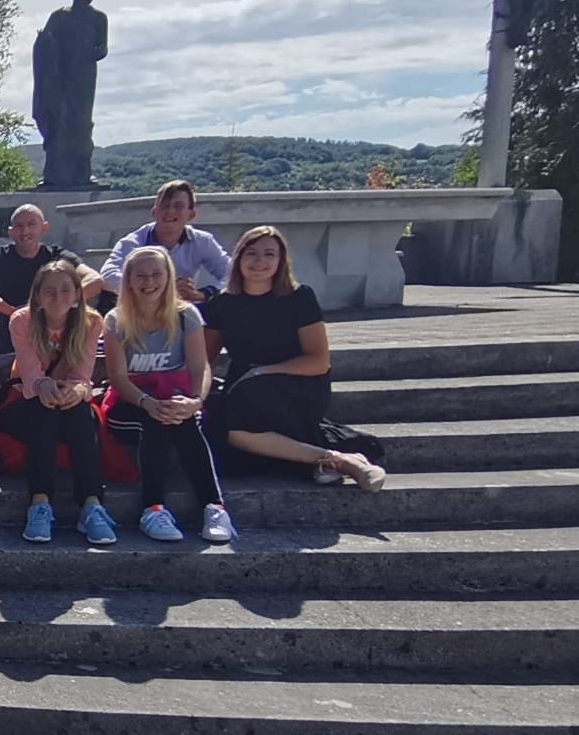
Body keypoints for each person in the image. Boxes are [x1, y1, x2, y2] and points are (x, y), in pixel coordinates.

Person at [202, 226, 386, 490]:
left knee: (239, 421)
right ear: (238, 257)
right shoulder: (221, 304)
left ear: (281, 261)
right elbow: (204, 360)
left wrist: (263, 372)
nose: (260, 261)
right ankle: (339, 460)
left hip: (297, 382)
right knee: (227, 437)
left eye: (269, 254)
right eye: (251, 253)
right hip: (245, 387)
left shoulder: (299, 297)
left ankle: (327, 462)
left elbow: (319, 361)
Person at [102, 247, 235, 543]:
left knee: (185, 421)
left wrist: (195, 402)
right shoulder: (115, 320)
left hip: (175, 396)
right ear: (129, 280)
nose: (149, 282)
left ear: (168, 276)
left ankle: (214, 506)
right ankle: (153, 508)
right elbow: (118, 378)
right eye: (141, 275)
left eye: (156, 274)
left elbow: (200, 367)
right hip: (130, 402)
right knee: (156, 421)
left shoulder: (186, 315)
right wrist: (147, 403)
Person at [0, 262, 115, 545]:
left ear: (77, 294)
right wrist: (45, 387)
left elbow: (83, 376)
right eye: (49, 291)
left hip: (70, 405)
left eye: (65, 289)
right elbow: (31, 376)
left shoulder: (91, 322)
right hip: (26, 402)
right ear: (37, 296)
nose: (58, 297)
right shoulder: (21, 321)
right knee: (44, 408)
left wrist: (76, 390)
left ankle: (91, 504)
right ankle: (39, 502)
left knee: (78, 410)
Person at [0, 204, 103, 364]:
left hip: (49, 326)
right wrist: (13, 312)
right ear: (10, 232)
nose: (25, 231)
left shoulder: (58, 256)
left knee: (85, 296)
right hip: (6, 330)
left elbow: (95, 280)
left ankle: (70, 355)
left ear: (44, 228)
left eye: (31, 224)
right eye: (19, 226)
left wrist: (57, 303)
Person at [99, 180, 232, 304]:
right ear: (154, 212)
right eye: (165, 206)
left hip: (181, 309)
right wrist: (162, 287)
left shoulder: (202, 241)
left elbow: (233, 274)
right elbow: (107, 276)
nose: (170, 211)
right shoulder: (134, 242)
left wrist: (204, 293)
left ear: (191, 215)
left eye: (178, 206)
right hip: (142, 308)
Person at [32, 0, 109, 188]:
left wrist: (85, 52)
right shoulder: (59, 17)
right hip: (59, 76)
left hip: (84, 79)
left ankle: (82, 172)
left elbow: (102, 49)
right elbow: (45, 43)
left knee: (82, 123)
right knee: (57, 121)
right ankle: (54, 174)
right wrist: (48, 46)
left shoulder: (98, 18)